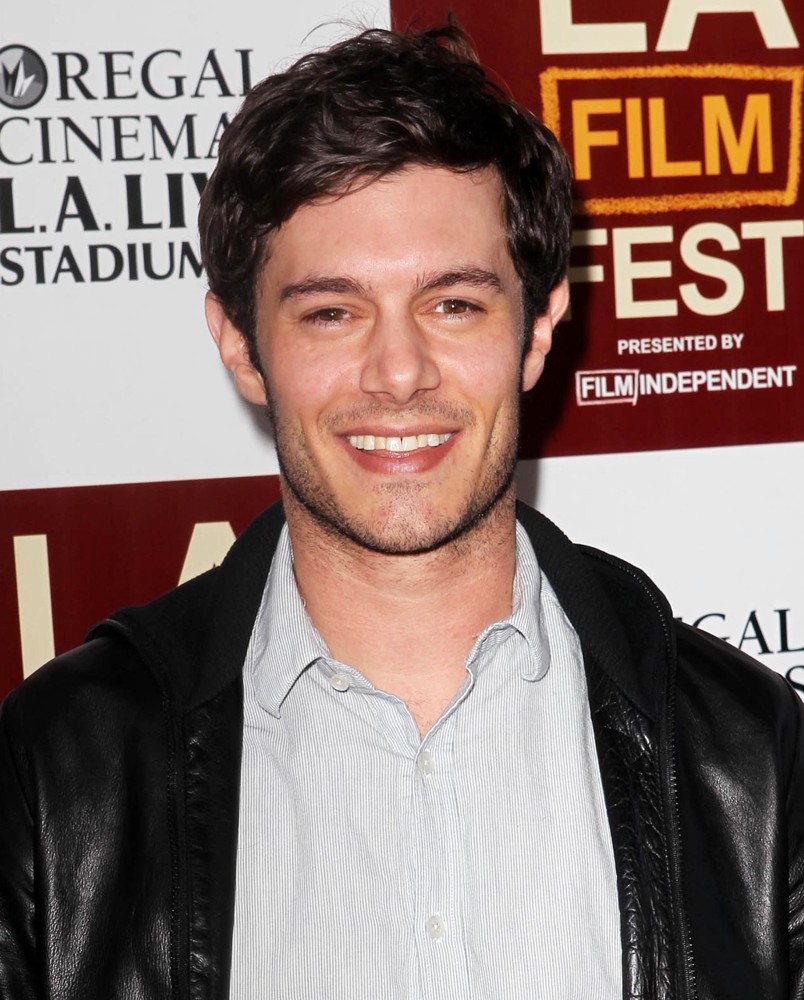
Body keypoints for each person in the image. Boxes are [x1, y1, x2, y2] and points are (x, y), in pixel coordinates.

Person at [1, 22, 802, 1000]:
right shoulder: (58, 770)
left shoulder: (750, 760)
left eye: (453, 304)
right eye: (332, 312)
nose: (398, 371)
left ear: (538, 330)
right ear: (241, 346)